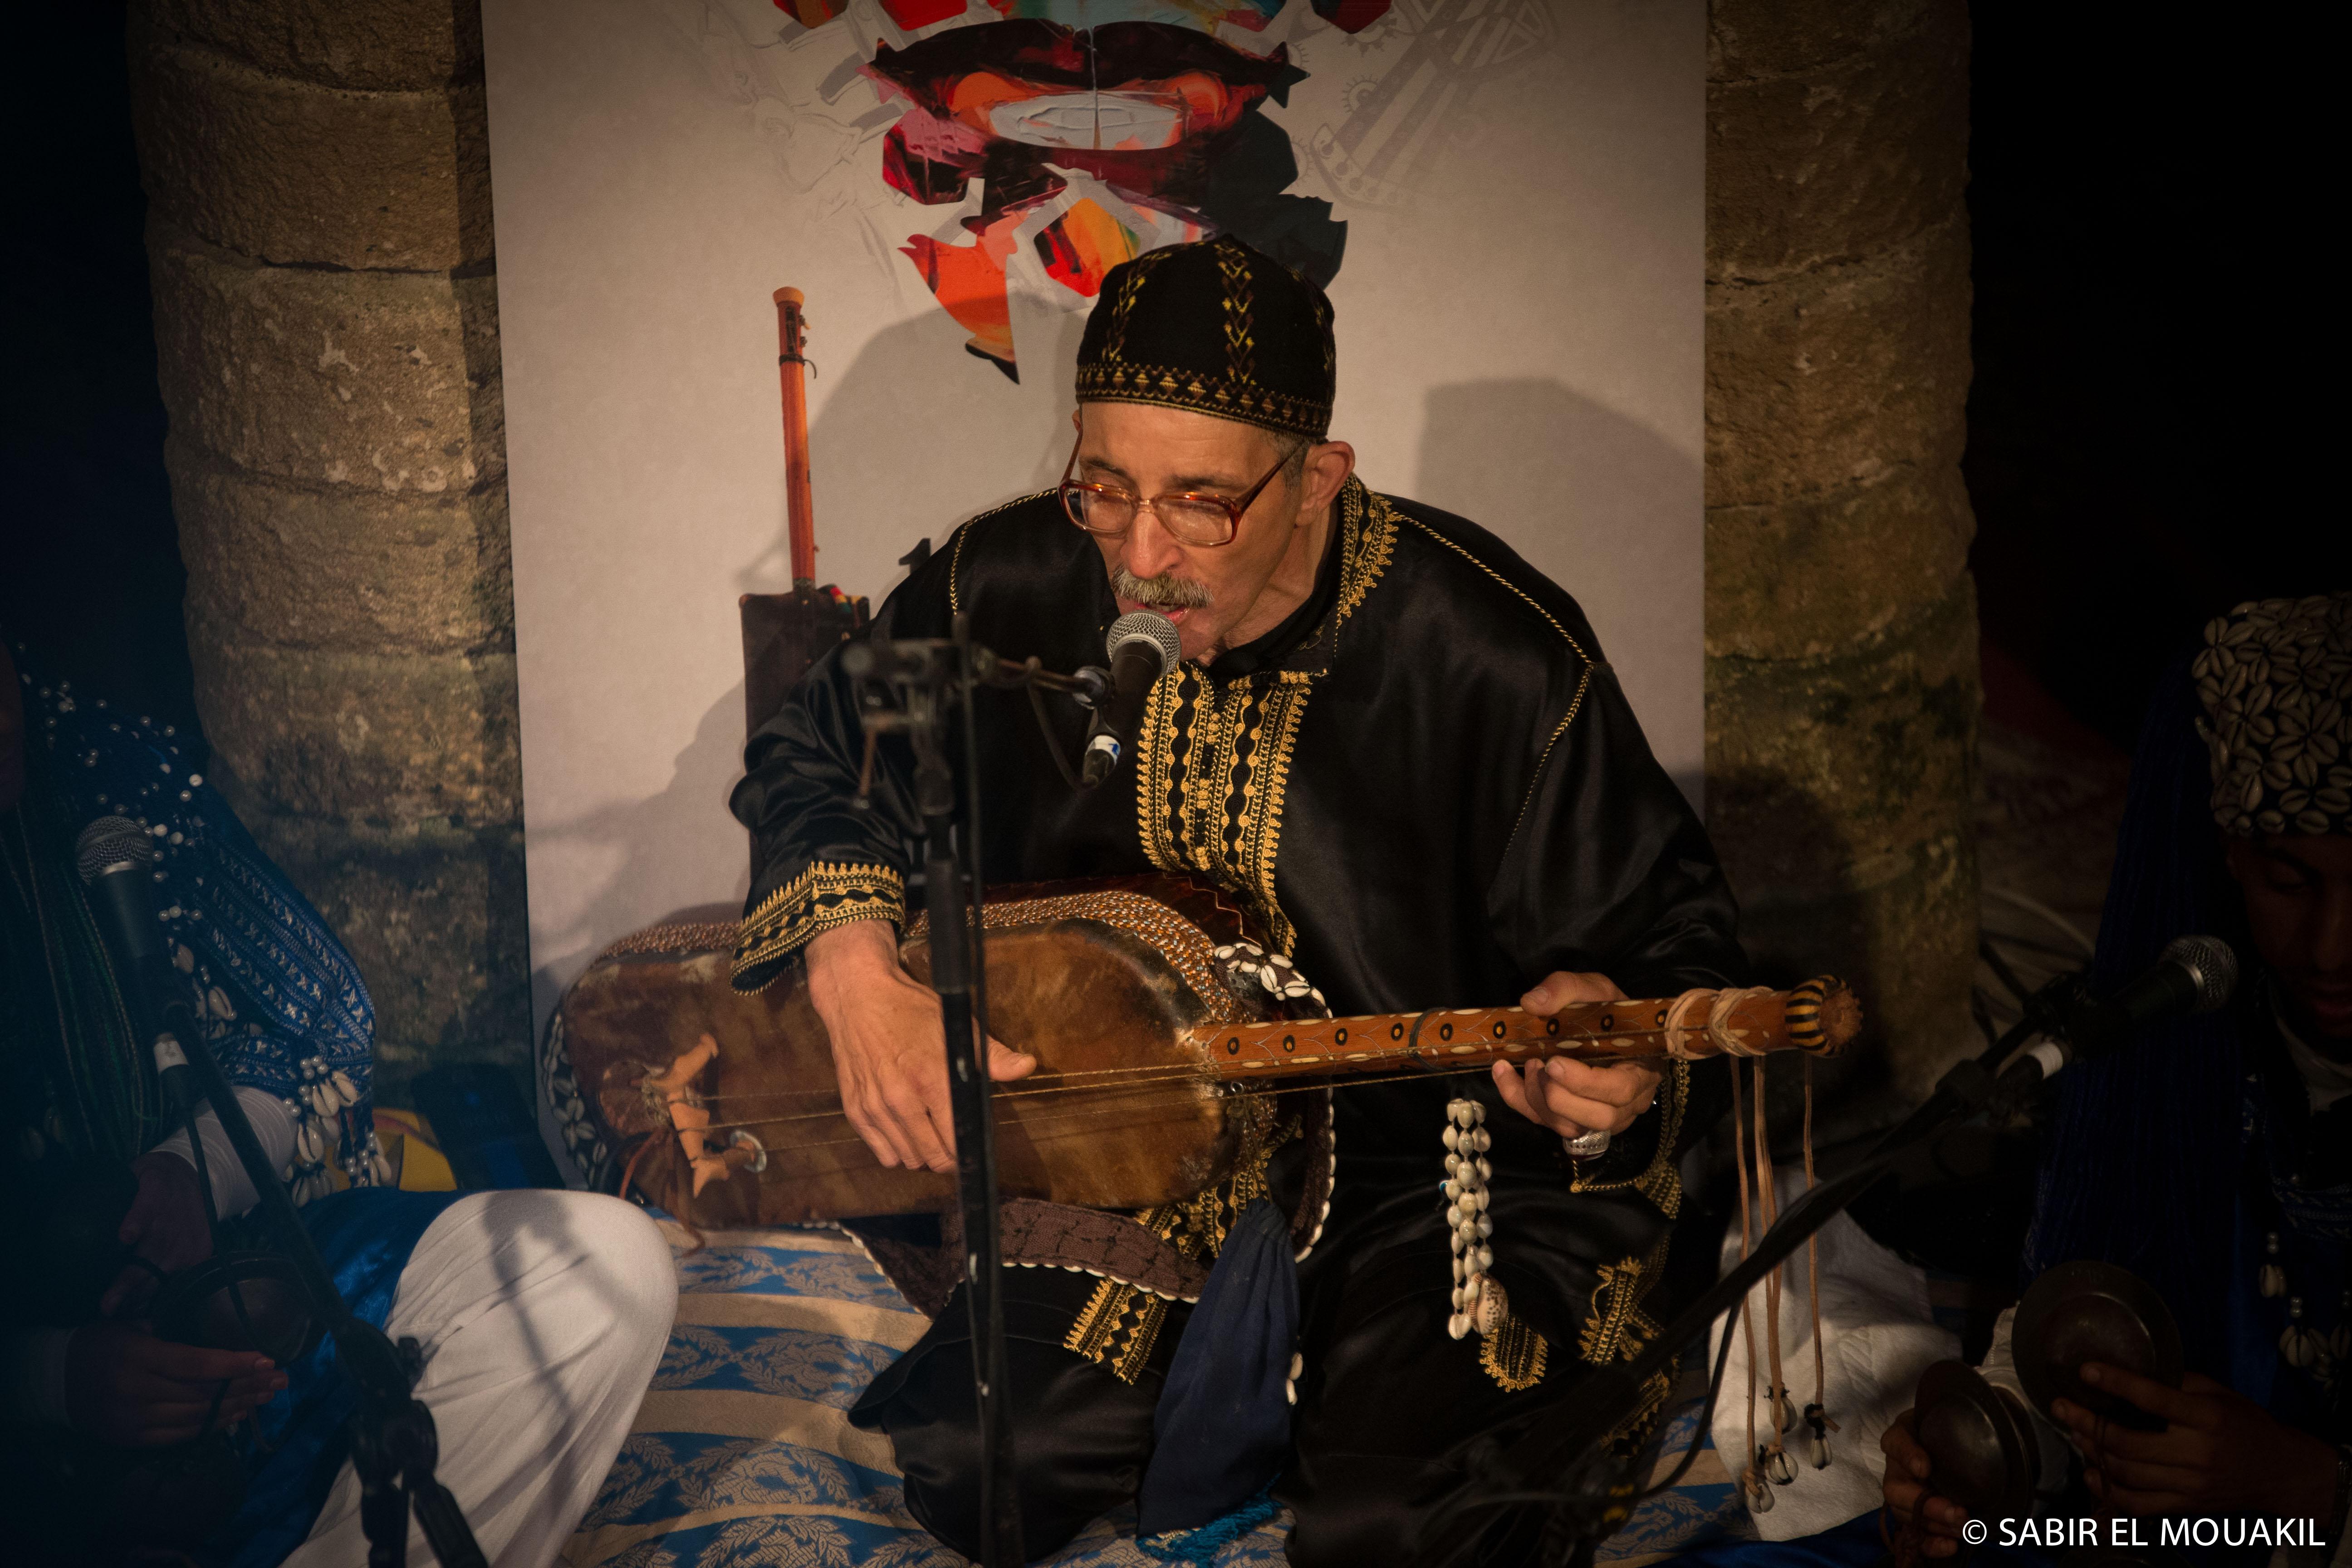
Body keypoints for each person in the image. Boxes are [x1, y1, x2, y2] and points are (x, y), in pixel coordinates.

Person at [728, 235, 1746, 1565]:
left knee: (1402, 1524)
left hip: (1424, 1170)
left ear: (1319, 479)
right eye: (1104, 487)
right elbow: (820, 749)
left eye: (1201, 504)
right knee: (989, 1464)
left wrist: (1607, 1033)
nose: (1140, 556)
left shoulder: (1486, 654)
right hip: (1128, 1155)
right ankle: (1250, 1389)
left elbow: (1674, 946)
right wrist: (855, 969)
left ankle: (1332, 1401)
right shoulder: (1007, 587)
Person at [0, 640, 679, 1567]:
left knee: (615, 1265)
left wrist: (198, 1175)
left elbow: (311, 1031)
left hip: (246, 1274)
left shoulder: (99, 769)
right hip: (46, 1427)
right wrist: (50, 1378)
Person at [1880, 593, 2352, 1561]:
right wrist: (1985, 1461)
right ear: (2228, 861)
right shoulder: (2185, 1040)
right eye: (2288, 881)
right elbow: (2082, 1331)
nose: (2331, 947)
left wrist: (2315, 1491)